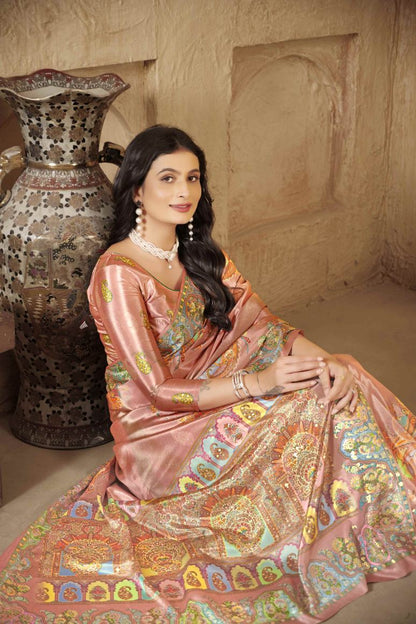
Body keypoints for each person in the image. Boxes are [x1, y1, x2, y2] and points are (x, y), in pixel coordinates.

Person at [0, 125, 415, 624]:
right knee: (308, 404)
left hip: (216, 392)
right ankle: (338, 534)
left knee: (347, 379)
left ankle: (396, 512)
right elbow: (157, 390)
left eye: (193, 177)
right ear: (137, 190)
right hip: (160, 435)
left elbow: (262, 325)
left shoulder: (198, 254)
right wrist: (259, 384)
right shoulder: (117, 274)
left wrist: (330, 362)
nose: (184, 191)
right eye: (168, 178)